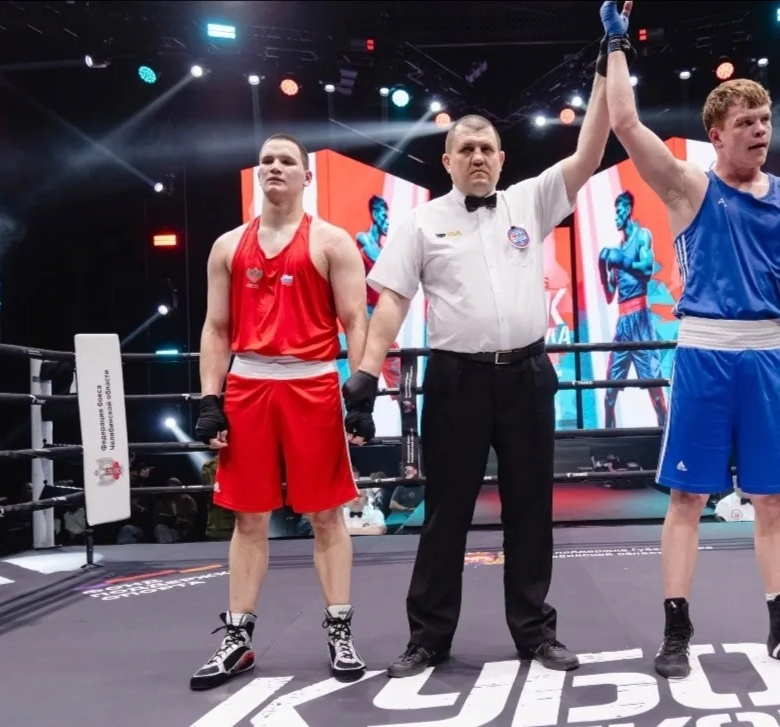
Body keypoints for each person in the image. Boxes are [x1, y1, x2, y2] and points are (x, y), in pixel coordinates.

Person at [340, 3, 626, 679]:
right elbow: (391, 303)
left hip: (526, 375)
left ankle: (534, 633)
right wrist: (364, 375)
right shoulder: (419, 224)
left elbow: (590, 151)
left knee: (530, 511)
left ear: (501, 157)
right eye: (465, 148)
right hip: (456, 380)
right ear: (446, 160)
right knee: (446, 515)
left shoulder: (530, 199)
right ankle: (428, 637)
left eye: (486, 148)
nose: (476, 156)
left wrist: (606, 60)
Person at [602, 5, 780, 680]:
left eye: (765, 119)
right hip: (703, 352)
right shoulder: (688, 186)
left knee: (774, 499)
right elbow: (625, 123)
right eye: (746, 122)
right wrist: (615, 45)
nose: (760, 130)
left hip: (767, 353)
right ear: (716, 134)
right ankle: (676, 630)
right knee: (686, 498)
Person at [189, 133, 374, 690]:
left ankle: (340, 632)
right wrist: (210, 399)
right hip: (248, 384)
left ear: (305, 176)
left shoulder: (333, 242)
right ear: (258, 172)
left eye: (286, 160)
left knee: (327, 515)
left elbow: (356, 321)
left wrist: (361, 396)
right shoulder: (228, 246)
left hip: (312, 383)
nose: (274, 166)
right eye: (266, 159)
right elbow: (216, 327)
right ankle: (238, 639)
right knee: (248, 518)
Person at [599, 190, 669, 427]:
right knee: (609, 394)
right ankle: (607, 444)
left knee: (656, 395)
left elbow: (647, 270)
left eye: (619, 211)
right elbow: (610, 295)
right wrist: (603, 270)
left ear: (628, 210)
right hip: (623, 326)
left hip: (640, 322)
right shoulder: (616, 249)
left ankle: (664, 439)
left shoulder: (642, 236)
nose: (616, 216)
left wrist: (621, 261)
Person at [355, 195, 403, 396]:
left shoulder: (382, 249)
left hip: (379, 318)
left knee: (396, 370)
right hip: (364, 319)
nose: (387, 221)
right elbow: (381, 265)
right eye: (384, 216)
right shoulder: (363, 239)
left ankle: (405, 411)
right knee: (364, 372)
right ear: (375, 215)